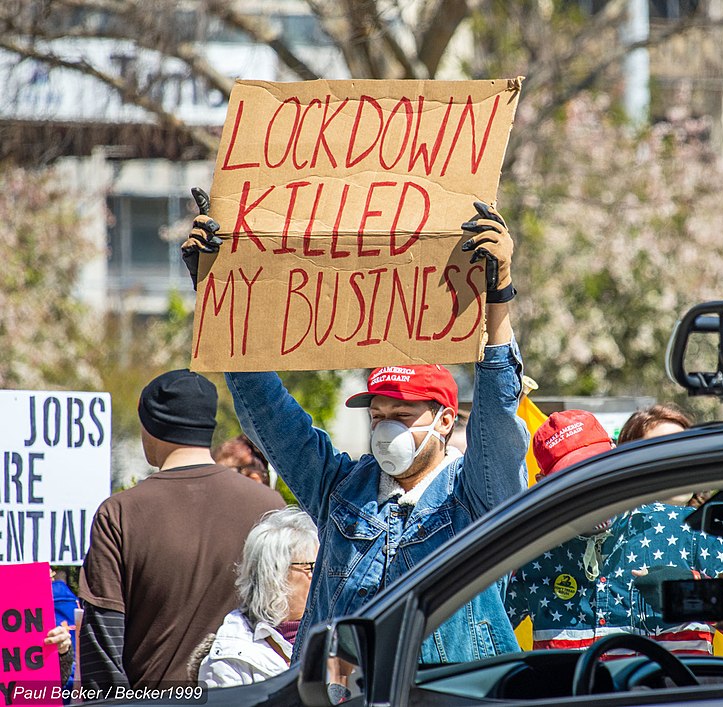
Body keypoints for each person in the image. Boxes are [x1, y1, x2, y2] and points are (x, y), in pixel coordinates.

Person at [182, 193, 529, 664]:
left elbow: (497, 419)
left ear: (446, 421)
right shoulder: (342, 489)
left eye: (403, 417)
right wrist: (218, 294)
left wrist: (499, 295)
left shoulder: (477, 497)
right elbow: (270, 415)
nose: (387, 430)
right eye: (379, 417)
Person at [79, 370, 286, 688]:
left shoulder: (119, 513)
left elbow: (102, 648)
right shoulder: (268, 506)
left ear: (150, 425)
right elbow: (289, 620)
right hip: (250, 697)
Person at [507, 409, 723, 655]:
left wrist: (689, 593)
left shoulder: (690, 528)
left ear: (614, 457)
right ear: (543, 482)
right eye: (571, 479)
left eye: (596, 470)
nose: (588, 488)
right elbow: (476, 630)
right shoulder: (534, 552)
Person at [198, 507, 319, 686]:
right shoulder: (227, 660)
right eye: (312, 567)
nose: (321, 576)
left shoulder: (339, 630)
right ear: (274, 575)